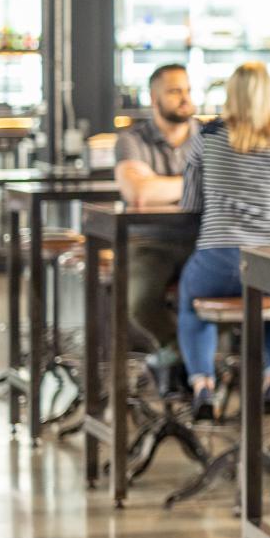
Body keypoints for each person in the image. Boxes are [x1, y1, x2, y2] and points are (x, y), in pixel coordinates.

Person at [175, 63, 270, 422]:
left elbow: (189, 202)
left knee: (189, 301)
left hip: (217, 259)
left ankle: (203, 386)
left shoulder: (206, 138)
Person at [113, 64, 197, 356]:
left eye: (187, 90)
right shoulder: (132, 140)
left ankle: (193, 365)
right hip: (150, 243)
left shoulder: (210, 138)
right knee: (140, 303)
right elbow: (139, 192)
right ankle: (182, 354)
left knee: (231, 293)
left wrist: (162, 186)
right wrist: (197, 182)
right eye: (174, 92)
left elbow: (225, 186)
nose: (184, 98)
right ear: (154, 97)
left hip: (202, 240)